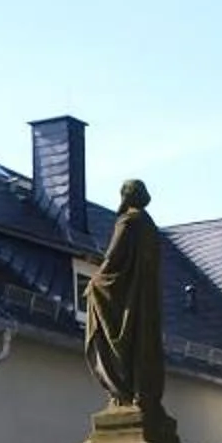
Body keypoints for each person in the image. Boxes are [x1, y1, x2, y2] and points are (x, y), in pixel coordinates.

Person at [82, 178, 170, 416]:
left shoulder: (128, 221)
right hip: (146, 302)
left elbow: (113, 258)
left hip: (129, 302)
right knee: (143, 345)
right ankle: (143, 393)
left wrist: (94, 282)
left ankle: (122, 389)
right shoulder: (150, 226)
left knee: (95, 291)